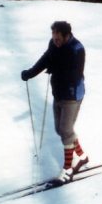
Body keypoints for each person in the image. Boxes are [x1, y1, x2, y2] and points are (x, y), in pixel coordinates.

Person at [21, 21, 88, 182]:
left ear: (67, 36)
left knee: (65, 130)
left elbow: (74, 74)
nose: (55, 41)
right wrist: (31, 73)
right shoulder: (54, 44)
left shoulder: (77, 49)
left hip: (72, 95)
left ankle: (67, 168)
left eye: (58, 39)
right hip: (58, 94)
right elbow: (46, 59)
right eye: (54, 38)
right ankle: (82, 156)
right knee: (61, 130)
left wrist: (55, 66)